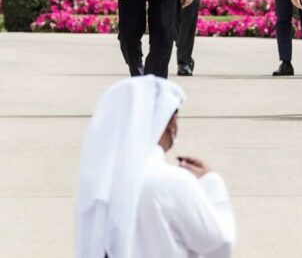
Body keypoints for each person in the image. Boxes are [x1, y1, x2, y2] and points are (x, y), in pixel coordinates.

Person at [76, 75, 235, 257]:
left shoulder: (100, 178)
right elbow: (219, 244)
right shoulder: (173, 181)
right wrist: (212, 182)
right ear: (170, 122)